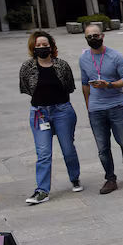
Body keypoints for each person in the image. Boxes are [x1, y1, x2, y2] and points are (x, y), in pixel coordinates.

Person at [19, 31, 83, 205]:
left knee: (68, 148)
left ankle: (74, 177)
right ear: (33, 48)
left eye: (45, 44)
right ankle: (42, 190)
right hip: (39, 113)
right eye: (38, 45)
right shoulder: (27, 67)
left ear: (51, 46)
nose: (42, 48)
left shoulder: (62, 65)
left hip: (62, 110)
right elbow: (25, 87)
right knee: (43, 153)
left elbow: (69, 86)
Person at [78, 23, 123, 195]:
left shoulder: (115, 56)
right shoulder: (83, 59)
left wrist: (109, 85)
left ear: (102, 36)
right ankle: (110, 179)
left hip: (116, 106)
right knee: (103, 148)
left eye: (96, 36)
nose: (93, 39)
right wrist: (89, 106)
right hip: (96, 110)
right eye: (89, 37)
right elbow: (84, 84)